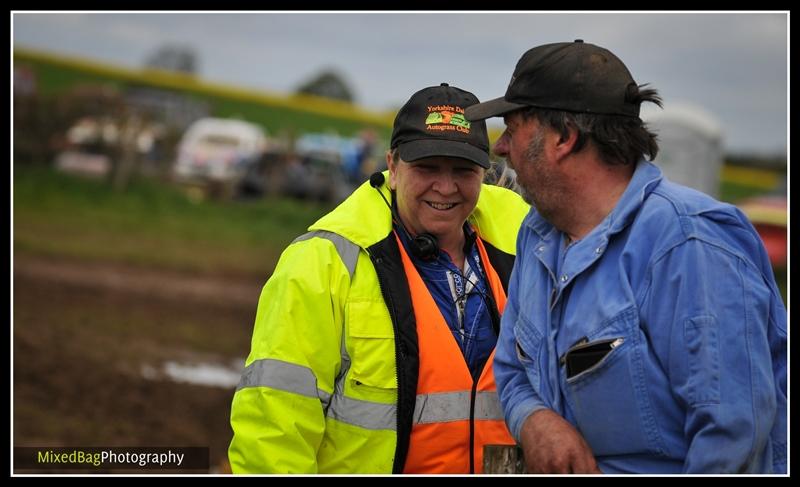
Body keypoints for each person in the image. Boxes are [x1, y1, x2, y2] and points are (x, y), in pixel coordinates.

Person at [465, 40, 787, 474]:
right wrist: (537, 420)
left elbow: (733, 438)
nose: (501, 147)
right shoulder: (536, 235)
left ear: (563, 137)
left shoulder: (691, 245)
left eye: (514, 127)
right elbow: (511, 367)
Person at [229, 83, 530, 473]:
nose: (445, 186)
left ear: (482, 172)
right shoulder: (323, 262)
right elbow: (273, 423)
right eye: (427, 168)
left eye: (463, 170)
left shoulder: (525, 238)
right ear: (392, 166)